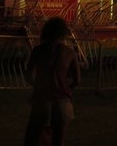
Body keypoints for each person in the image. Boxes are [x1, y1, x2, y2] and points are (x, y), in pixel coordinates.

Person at [23, 17, 81, 146]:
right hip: (62, 101)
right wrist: (66, 89)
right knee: (59, 138)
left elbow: (28, 75)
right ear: (63, 33)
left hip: (42, 100)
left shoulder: (37, 51)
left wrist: (37, 86)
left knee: (37, 137)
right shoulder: (69, 52)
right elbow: (77, 80)